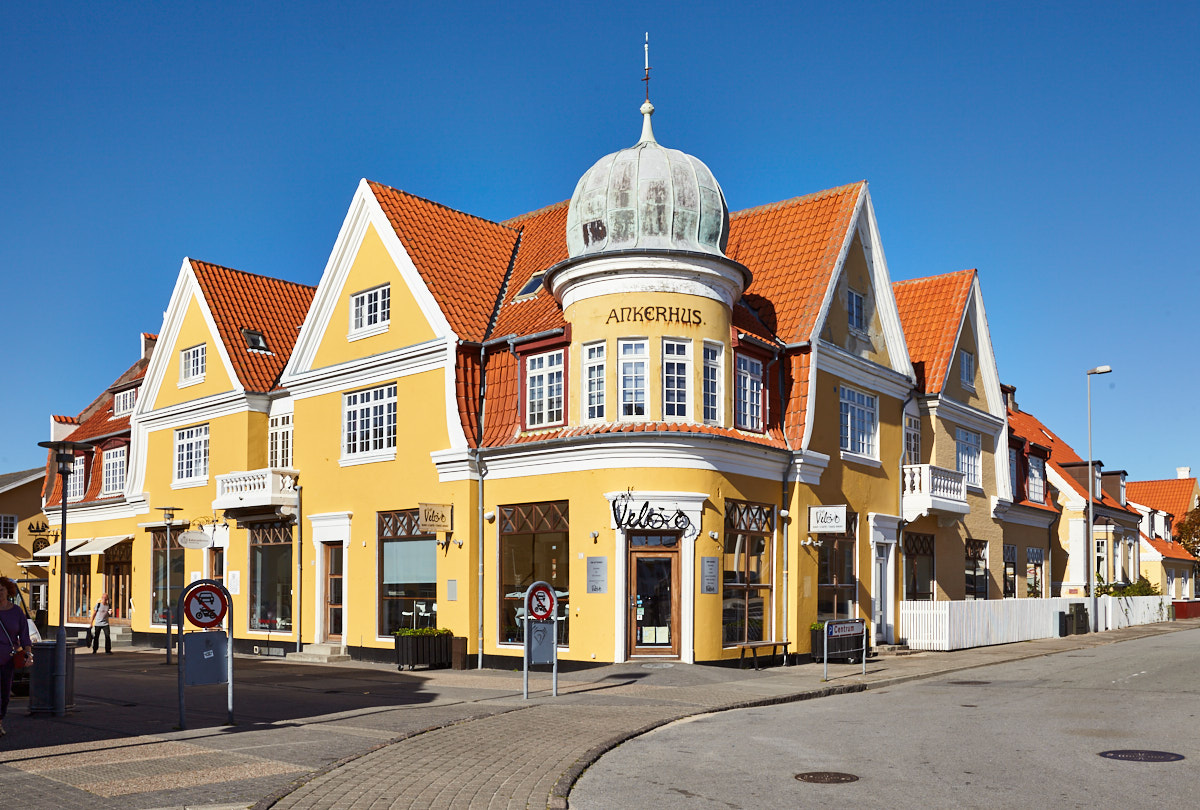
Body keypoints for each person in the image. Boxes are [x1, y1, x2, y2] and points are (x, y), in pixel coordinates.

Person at [0, 577, 32, 737]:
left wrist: (28, 654)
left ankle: (0, 720)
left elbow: (25, 636)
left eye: (1, 590)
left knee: (5, 693)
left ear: (8, 591)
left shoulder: (16, 612)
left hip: (8, 659)